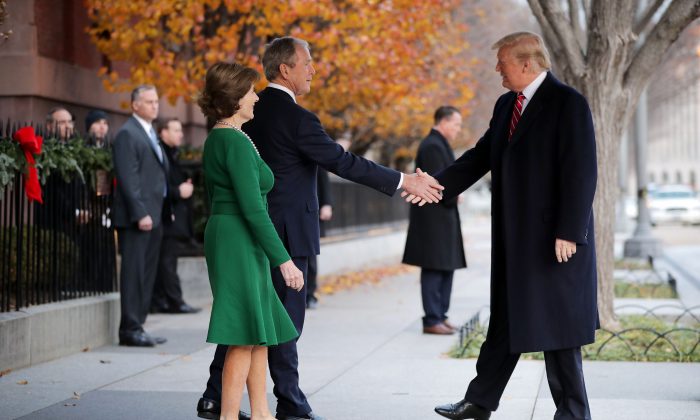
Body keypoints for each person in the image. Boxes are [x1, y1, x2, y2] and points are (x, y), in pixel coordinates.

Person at [197, 36, 444, 420]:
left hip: (249, 232)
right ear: (286, 69)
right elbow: (342, 161)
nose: (313, 69)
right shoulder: (291, 118)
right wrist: (402, 181)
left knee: (248, 320)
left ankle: (219, 399)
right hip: (280, 233)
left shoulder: (242, 120)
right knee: (281, 324)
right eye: (307, 62)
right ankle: (290, 404)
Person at [420, 32, 598, 420]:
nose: (497, 69)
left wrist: (570, 230)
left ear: (525, 63)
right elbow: (479, 156)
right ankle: (479, 402)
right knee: (505, 321)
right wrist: (436, 186)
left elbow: (581, 171)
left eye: (501, 62)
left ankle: (573, 412)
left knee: (559, 327)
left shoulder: (568, 103)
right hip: (515, 240)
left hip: (554, 241)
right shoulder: (506, 105)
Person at [199, 61, 303, 420]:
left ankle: (261, 414)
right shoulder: (233, 142)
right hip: (238, 238)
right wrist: (284, 260)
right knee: (245, 334)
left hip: (235, 236)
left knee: (259, 332)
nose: (255, 97)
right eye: (249, 92)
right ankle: (230, 416)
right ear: (233, 98)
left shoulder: (224, 137)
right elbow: (253, 210)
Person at [112, 85, 170, 347]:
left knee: (146, 273)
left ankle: (138, 326)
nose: (155, 106)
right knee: (134, 273)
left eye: (156, 101)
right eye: (149, 101)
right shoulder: (127, 133)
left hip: (154, 216)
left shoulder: (149, 132)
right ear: (135, 105)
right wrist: (140, 213)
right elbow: (127, 178)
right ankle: (130, 328)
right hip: (139, 218)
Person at [402, 106, 467, 335]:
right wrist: (454, 193)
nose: (458, 130)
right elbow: (436, 184)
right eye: (456, 124)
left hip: (441, 218)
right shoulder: (431, 146)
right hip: (433, 220)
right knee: (434, 267)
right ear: (444, 122)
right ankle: (432, 318)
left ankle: (440, 315)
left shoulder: (439, 144)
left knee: (445, 266)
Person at [150, 117, 201, 314]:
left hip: (171, 217)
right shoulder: (161, 153)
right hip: (165, 216)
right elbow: (158, 186)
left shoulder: (171, 153)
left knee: (166, 260)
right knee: (166, 261)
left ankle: (163, 300)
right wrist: (179, 191)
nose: (180, 134)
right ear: (163, 132)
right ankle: (173, 301)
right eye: (176, 130)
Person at [305, 168, 333, 310]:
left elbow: (322, 173)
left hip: (311, 208)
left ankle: (310, 295)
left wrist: (326, 204)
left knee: (310, 256)